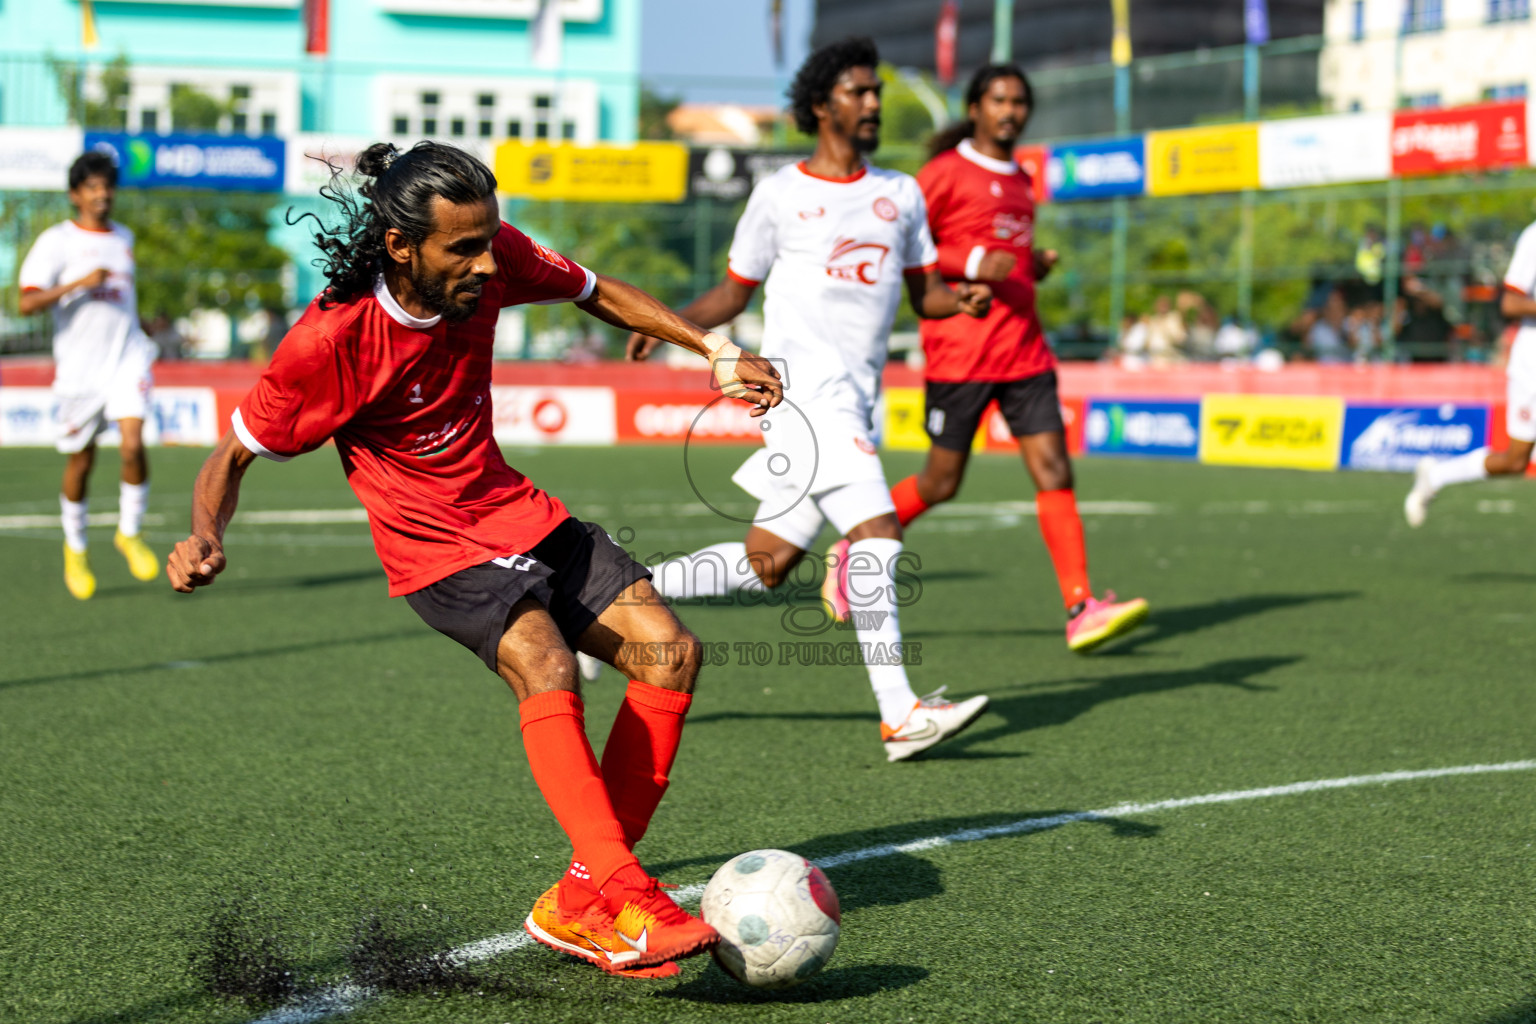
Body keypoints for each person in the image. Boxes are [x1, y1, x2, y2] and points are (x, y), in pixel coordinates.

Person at [165, 142, 784, 977]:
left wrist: (711, 350)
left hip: (514, 508)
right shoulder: (328, 342)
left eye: (490, 238)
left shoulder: (493, 258)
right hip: (433, 544)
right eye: (463, 248)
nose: (488, 261)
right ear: (400, 246)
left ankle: (577, 900)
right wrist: (207, 532)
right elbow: (231, 455)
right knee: (545, 662)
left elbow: (598, 293)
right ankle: (626, 892)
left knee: (669, 655)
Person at [628, 37, 993, 763]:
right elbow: (736, 291)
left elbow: (927, 295)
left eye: (878, 92)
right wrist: (667, 322)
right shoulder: (779, 195)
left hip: (856, 398)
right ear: (821, 107)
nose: (873, 104)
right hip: (797, 397)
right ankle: (900, 713)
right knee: (879, 529)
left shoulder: (902, 194)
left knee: (769, 562)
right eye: (859, 92)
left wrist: (965, 301)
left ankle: (602, 597)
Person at [877, 63, 1147, 654]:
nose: (1010, 111)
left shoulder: (1024, 179)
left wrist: (1032, 266)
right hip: (961, 355)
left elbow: (1008, 257)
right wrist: (972, 265)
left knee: (1055, 471)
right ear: (975, 108)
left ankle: (1081, 608)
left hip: (1025, 351)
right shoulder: (944, 173)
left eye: (1019, 102)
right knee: (941, 482)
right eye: (998, 100)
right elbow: (903, 247)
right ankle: (856, 547)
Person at [18, 151, 160, 599]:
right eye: (93, 187)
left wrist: (142, 332)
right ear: (75, 194)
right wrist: (79, 282)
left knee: (133, 444)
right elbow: (26, 303)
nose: (103, 194)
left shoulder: (125, 238)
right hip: (80, 371)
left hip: (127, 359)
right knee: (81, 460)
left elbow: (124, 301)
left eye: (108, 186)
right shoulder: (56, 242)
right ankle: (75, 548)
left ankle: (129, 532)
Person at [1405, 217, 1536, 525]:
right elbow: (1511, 304)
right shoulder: (1533, 236)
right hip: (1532, 370)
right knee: (1515, 461)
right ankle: (1437, 476)